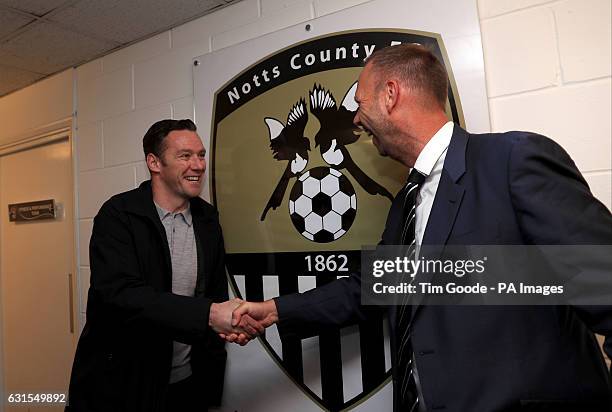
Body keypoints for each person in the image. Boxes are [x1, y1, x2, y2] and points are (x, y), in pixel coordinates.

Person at [229, 44, 612, 411]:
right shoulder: (405, 205)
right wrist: (275, 309)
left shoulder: (511, 161)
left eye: (360, 104)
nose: (357, 119)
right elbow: (370, 287)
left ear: (390, 95)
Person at [67, 119, 261, 412]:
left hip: (186, 386)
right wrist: (209, 315)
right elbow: (122, 296)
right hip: (124, 387)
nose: (198, 165)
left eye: (201, 155)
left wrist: (232, 323)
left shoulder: (208, 220)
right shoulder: (119, 215)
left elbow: (214, 294)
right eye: (185, 156)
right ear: (154, 162)